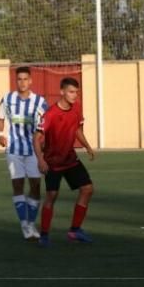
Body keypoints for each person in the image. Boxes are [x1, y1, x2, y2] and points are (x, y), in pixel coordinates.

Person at [32, 78, 96, 247]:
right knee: (52, 196)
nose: (74, 95)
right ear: (62, 92)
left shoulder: (76, 108)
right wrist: (40, 160)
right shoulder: (50, 114)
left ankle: (75, 230)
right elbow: (36, 138)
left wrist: (87, 146)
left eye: (76, 92)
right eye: (71, 92)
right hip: (52, 162)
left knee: (87, 189)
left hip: (70, 158)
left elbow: (76, 129)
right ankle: (44, 235)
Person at [0, 66, 47, 240]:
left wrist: (44, 143)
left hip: (33, 150)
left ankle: (32, 223)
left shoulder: (40, 102)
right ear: (16, 81)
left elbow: (46, 125)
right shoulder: (7, 98)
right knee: (17, 185)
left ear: (31, 81)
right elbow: (1, 119)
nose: (22, 82)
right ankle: (24, 224)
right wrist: (1, 135)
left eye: (25, 79)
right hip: (14, 150)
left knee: (35, 186)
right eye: (19, 79)